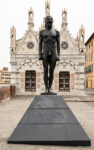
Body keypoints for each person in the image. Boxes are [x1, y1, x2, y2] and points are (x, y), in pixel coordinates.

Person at [39, 16, 60, 94]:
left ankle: (50, 87)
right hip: (45, 52)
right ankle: (46, 88)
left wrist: (58, 55)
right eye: (48, 19)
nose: (50, 20)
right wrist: (39, 54)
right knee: (45, 70)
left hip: (53, 52)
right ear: (45, 22)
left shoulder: (56, 32)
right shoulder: (42, 32)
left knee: (51, 71)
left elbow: (58, 44)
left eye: (51, 19)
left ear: (53, 21)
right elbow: (40, 43)